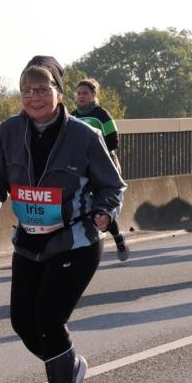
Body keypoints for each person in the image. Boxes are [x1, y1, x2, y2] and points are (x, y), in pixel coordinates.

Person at [0, 56, 126, 383]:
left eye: (42, 89)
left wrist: (106, 213)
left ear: (59, 93)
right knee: (23, 323)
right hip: (28, 241)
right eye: (26, 90)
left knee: (48, 319)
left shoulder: (84, 136)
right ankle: (70, 366)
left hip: (75, 242)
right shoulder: (9, 131)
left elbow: (112, 186)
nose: (34, 97)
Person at [71, 79, 130, 261]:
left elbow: (113, 141)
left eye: (85, 93)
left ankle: (118, 239)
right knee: (82, 208)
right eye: (79, 93)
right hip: (81, 168)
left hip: (104, 166)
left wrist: (92, 151)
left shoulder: (102, 115)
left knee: (101, 208)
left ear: (93, 95)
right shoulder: (71, 116)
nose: (81, 96)